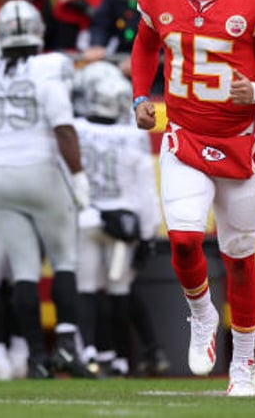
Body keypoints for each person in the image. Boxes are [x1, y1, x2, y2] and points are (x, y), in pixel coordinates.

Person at [130, 0, 255, 396]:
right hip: (184, 135)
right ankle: (202, 315)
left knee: (239, 257)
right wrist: (141, 96)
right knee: (182, 240)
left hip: (240, 142)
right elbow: (144, 46)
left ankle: (243, 361)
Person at [0, 0, 96, 379]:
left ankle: (36, 356)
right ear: (37, 31)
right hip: (40, 170)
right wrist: (80, 176)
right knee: (65, 258)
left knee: (23, 270)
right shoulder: (48, 68)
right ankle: (67, 347)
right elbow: (64, 128)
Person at [73, 61, 163, 377]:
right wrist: (149, 233)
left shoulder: (77, 129)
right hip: (123, 226)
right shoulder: (131, 135)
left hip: (87, 220)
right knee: (119, 289)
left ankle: (89, 353)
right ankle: (123, 358)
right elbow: (146, 190)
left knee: (86, 289)